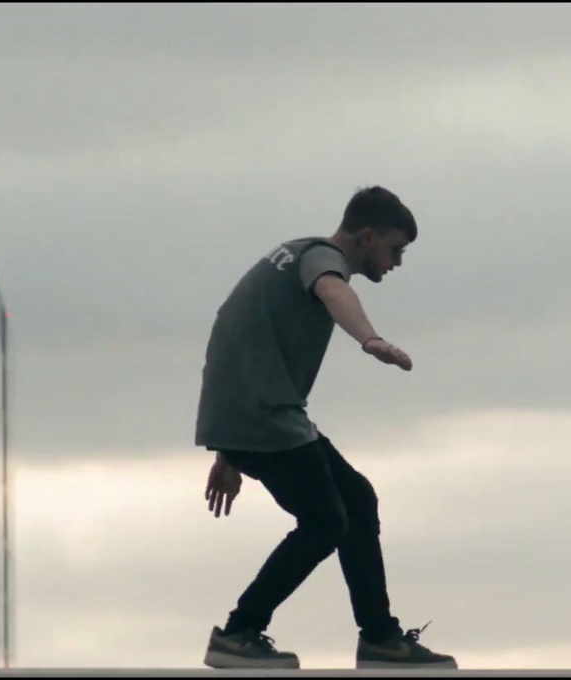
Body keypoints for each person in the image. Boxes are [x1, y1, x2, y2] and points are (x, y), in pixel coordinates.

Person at [193, 186, 456, 670]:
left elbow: (244, 341)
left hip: (251, 415)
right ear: (367, 236)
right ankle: (240, 631)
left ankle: (379, 637)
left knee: (356, 499)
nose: (397, 262)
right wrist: (370, 339)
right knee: (326, 521)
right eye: (395, 249)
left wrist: (227, 453)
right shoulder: (320, 258)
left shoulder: (290, 255)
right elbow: (334, 290)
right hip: (265, 415)